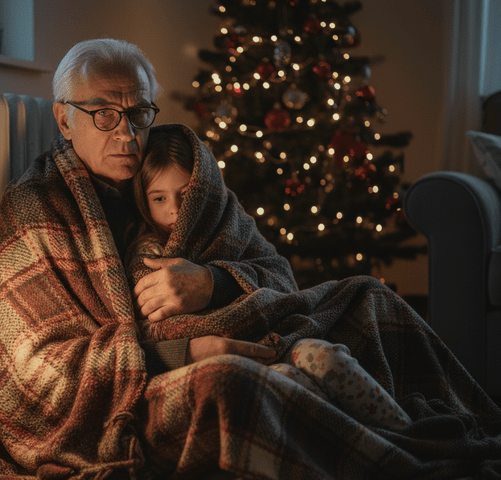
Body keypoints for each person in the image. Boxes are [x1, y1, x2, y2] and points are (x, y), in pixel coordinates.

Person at [0, 38, 501, 480]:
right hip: (137, 392)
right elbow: (40, 371)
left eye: (138, 112)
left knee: (366, 297)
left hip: (253, 335)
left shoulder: (183, 177)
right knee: (232, 383)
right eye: (103, 114)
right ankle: (403, 466)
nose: (125, 132)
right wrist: (190, 350)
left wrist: (213, 283)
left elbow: (279, 277)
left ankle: (466, 435)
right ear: (63, 118)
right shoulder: (33, 212)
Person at [126, 126, 411, 433]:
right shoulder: (148, 253)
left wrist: (217, 282)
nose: (174, 210)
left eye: (186, 195)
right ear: (144, 201)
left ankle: (406, 436)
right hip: (227, 358)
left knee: (327, 358)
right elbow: (155, 328)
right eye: (159, 199)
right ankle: (364, 447)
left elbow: (284, 282)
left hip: (277, 337)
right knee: (289, 383)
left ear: (203, 192)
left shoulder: (230, 222)